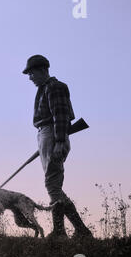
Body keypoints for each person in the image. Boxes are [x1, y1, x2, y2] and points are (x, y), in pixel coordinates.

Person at [22, 55, 92, 239]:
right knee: (54, 186)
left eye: (32, 73)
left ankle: (62, 232)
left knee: (52, 185)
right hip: (47, 134)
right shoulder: (46, 88)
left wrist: (59, 141)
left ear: (43, 70)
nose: (30, 77)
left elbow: (60, 116)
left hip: (52, 133)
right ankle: (79, 231)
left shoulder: (54, 87)